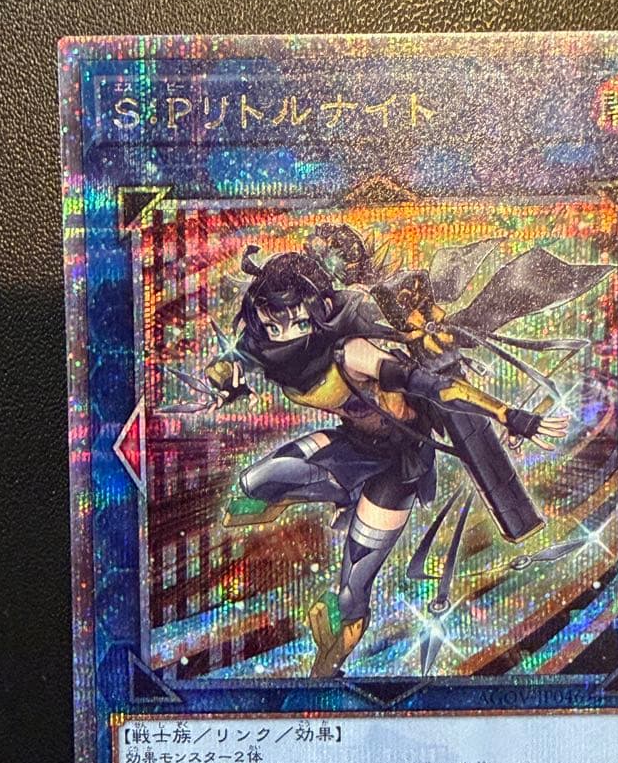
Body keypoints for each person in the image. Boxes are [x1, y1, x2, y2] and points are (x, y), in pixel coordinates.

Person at [206, 234, 568, 677]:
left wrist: (510, 415)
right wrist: (221, 378)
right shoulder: (263, 341)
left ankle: (327, 669)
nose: (281, 334)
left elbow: (440, 389)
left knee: (350, 590)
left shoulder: (352, 353)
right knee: (253, 487)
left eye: (294, 322)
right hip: (352, 447)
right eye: (272, 324)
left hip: (399, 465)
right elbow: (236, 359)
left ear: (320, 309)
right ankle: (309, 511)